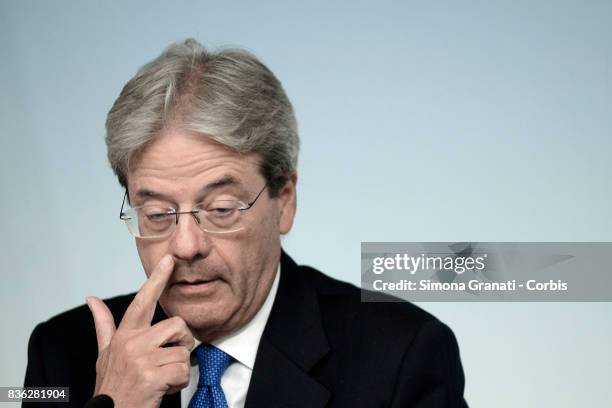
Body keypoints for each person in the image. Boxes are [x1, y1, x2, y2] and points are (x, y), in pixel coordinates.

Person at [23, 39, 468, 408]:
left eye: (220, 209)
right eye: (158, 214)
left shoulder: (403, 355)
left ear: (284, 201)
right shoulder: (59, 354)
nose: (186, 245)